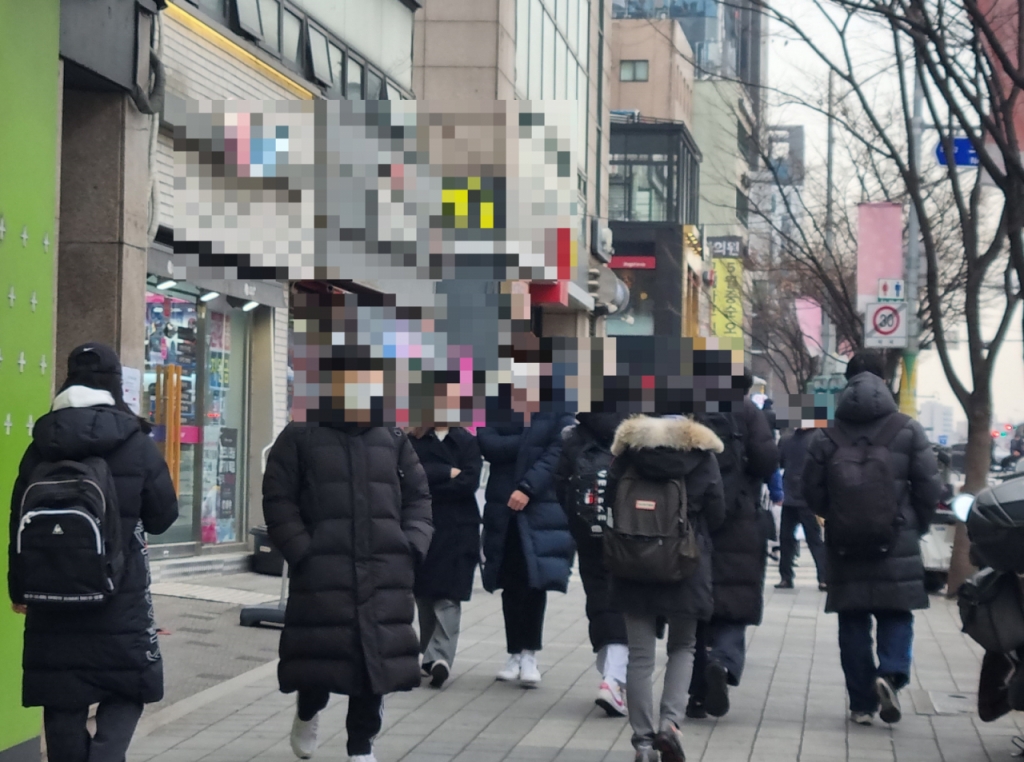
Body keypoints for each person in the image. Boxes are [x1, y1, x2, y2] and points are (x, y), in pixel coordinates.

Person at [7, 343, 178, 762]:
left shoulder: (41, 444)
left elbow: (17, 524)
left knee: (62, 694)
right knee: (126, 685)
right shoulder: (134, 441)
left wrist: (19, 590)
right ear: (116, 384)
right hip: (119, 594)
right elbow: (163, 516)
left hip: (51, 597)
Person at [263, 421, 434, 761]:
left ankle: (361, 745)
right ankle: (308, 710)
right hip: (323, 570)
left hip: (384, 570)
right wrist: (302, 551)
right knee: (319, 657)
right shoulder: (300, 436)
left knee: (375, 663)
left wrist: (412, 545)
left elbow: (418, 498)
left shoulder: (393, 438)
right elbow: (279, 499)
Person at [803, 351, 941, 727]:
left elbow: (810, 490)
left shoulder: (827, 434)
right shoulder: (908, 429)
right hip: (896, 539)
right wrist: (916, 524)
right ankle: (891, 674)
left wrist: (836, 516)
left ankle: (861, 703)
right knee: (896, 614)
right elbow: (930, 487)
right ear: (884, 381)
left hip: (845, 544)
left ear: (847, 384)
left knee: (852, 622)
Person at [606, 414, 726, 762]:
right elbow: (717, 511)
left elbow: (610, 498)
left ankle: (642, 742)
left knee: (640, 655)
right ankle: (669, 726)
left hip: (632, 562)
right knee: (684, 646)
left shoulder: (628, 453)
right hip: (685, 562)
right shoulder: (702, 455)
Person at [688, 373, 780, 719]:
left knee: (697, 608)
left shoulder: (691, 410)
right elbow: (767, 462)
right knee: (734, 600)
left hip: (696, 518)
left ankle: (696, 695)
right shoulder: (749, 413)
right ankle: (723, 661)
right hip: (740, 519)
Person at [478, 413, 576, 687]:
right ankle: (513, 653)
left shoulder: (557, 404)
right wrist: (528, 445)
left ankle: (530, 653)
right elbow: (487, 443)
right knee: (509, 581)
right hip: (502, 504)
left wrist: (528, 487)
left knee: (535, 581)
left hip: (541, 504)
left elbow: (558, 450)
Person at [555, 411, 631, 716]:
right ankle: (614, 679)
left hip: (589, 529)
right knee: (628, 603)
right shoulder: (637, 429)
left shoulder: (575, 435)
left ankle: (610, 674)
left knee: (599, 599)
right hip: (630, 532)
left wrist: (578, 520)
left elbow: (560, 483)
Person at [409, 425, 483, 689]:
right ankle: (429, 656)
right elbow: (409, 477)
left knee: (449, 595)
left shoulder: (466, 441)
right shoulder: (413, 439)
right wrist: (445, 472)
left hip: (459, 528)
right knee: (425, 595)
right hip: (424, 526)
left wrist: (432, 482)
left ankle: (439, 658)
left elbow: (469, 482)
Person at [775, 426, 827, 591]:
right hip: (807, 497)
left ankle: (786, 576)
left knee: (786, 539)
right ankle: (824, 578)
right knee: (815, 540)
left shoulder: (786, 439)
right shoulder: (820, 438)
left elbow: (779, 462)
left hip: (791, 494)